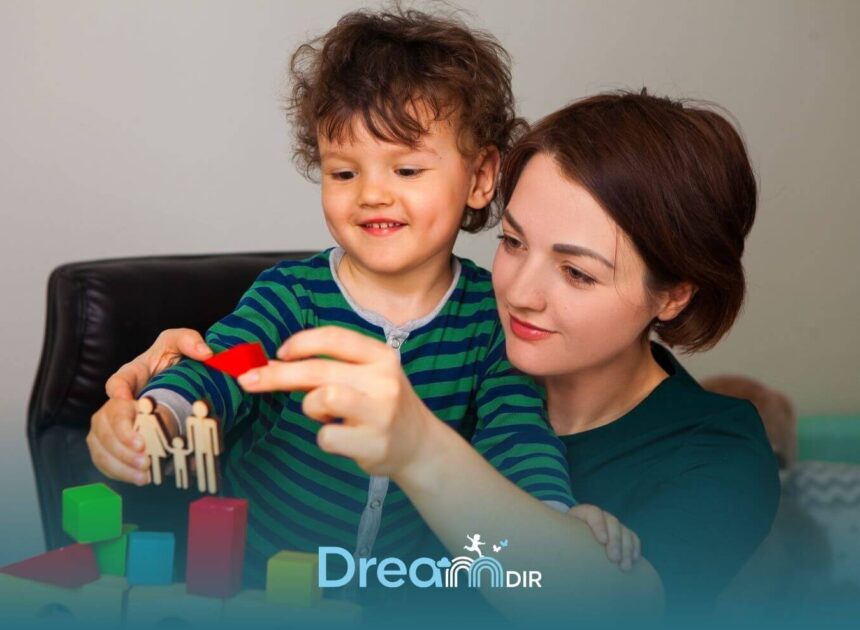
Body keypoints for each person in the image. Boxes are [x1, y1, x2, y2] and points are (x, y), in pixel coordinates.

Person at [102, 91, 780, 620]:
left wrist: (418, 447)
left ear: (673, 295)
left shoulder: (719, 454)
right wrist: (166, 393)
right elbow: (240, 377)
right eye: (513, 242)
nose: (520, 294)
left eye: (577, 274)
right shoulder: (443, 337)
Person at [86, 8, 645, 597]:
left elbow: (516, 435)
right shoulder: (292, 296)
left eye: (406, 168)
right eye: (345, 172)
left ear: (481, 177)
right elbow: (221, 368)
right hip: (256, 591)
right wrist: (156, 416)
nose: (373, 193)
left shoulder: (487, 318)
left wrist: (553, 515)